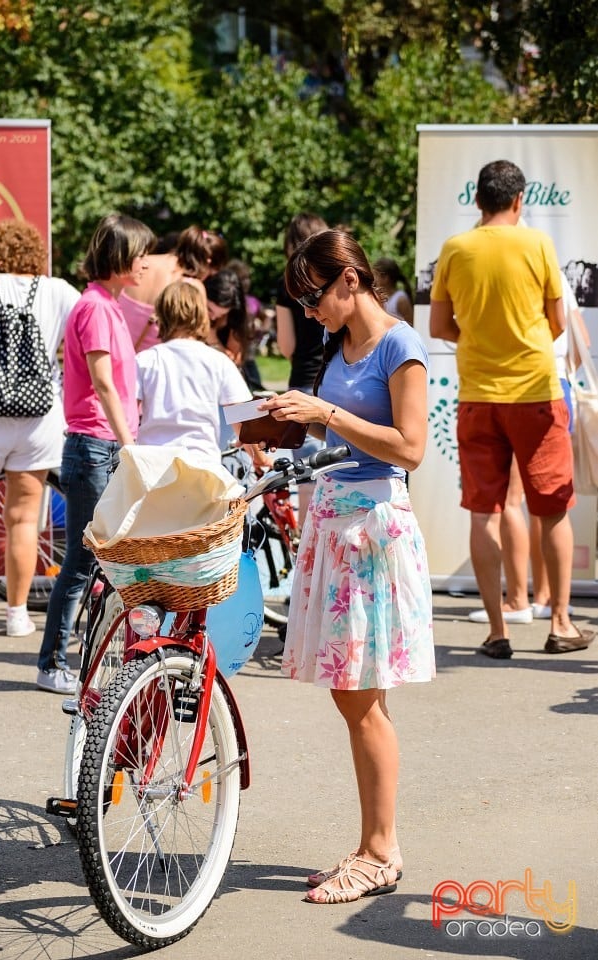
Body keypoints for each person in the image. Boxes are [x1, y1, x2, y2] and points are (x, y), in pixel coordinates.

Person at [260, 229, 435, 904]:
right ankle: (371, 845)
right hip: (336, 521)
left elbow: (410, 447)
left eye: (313, 297)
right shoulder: (340, 344)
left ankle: (381, 850)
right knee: (357, 696)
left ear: (350, 282)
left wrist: (323, 409)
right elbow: (336, 432)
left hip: (371, 529)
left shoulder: (398, 344)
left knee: (358, 698)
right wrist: (275, 431)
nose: (308, 311)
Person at [429, 158, 595, 658]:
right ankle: (560, 622)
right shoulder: (538, 243)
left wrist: (477, 341)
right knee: (552, 510)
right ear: (519, 201)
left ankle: (498, 631)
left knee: (485, 512)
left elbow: (439, 326)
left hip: (478, 395)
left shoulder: (455, 249)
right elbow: (558, 322)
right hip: (536, 393)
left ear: (477, 200)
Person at [36, 213, 156, 694]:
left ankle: (82, 659)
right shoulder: (95, 308)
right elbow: (103, 382)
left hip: (102, 444)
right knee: (84, 562)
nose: (146, 263)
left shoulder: (107, 305)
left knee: (101, 560)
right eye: (141, 253)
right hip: (95, 446)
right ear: (120, 256)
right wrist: (129, 445)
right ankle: (51, 664)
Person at [0, 219, 80, 636]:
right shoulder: (59, 291)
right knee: (24, 519)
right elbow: (89, 332)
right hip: (39, 419)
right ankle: (17, 615)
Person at [467, 271, 591, 624]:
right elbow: (580, 338)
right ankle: (548, 600)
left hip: (518, 390)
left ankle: (518, 599)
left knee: (510, 500)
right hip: (556, 389)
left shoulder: (502, 271)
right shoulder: (554, 273)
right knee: (547, 503)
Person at [136, 280, 271, 470]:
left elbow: (130, 415)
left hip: (152, 465)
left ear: (162, 315)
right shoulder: (218, 361)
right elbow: (243, 417)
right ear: (201, 315)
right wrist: (258, 457)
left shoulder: (145, 360)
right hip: (201, 465)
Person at [276, 212, 329, 520]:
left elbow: (286, 347)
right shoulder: (331, 278)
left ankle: (308, 555)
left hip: (303, 383)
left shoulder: (286, 284)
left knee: (308, 476)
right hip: (335, 380)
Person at [204, 268, 264, 394]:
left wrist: (213, 339)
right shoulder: (194, 310)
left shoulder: (236, 322)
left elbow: (233, 363)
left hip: (223, 387)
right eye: (209, 310)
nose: (213, 317)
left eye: (220, 314)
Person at [372, 256, 414, 325]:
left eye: (376, 275)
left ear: (386, 278)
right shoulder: (379, 297)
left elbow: (410, 324)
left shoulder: (401, 299)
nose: (374, 279)